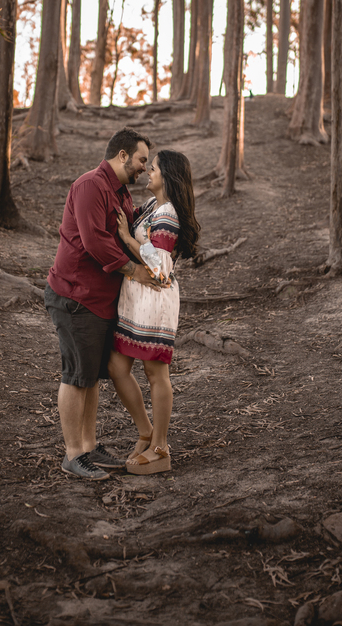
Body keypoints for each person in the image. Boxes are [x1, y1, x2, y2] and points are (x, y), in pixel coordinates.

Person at [45, 129, 163, 480]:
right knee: (76, 376)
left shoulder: (120, 191)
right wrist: (134, 271)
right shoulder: (90, 186)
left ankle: (89, 446)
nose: (144, 167)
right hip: (76, 296)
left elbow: (130, 228)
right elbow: (95, 241)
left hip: (100, 301)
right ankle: (72, 454)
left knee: (92, 377)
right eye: (141, 160)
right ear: (122, 155)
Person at [108, 149, 200, 475]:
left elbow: (159, 266)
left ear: (168, 177)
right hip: (136, 300)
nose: (149, 171)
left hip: (156, 301)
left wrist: (124, 237)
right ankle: (146, 432)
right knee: (117, 367)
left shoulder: (168, 215)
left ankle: (160, 447)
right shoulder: (151, 206)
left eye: (155, 168)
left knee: (155, 374)